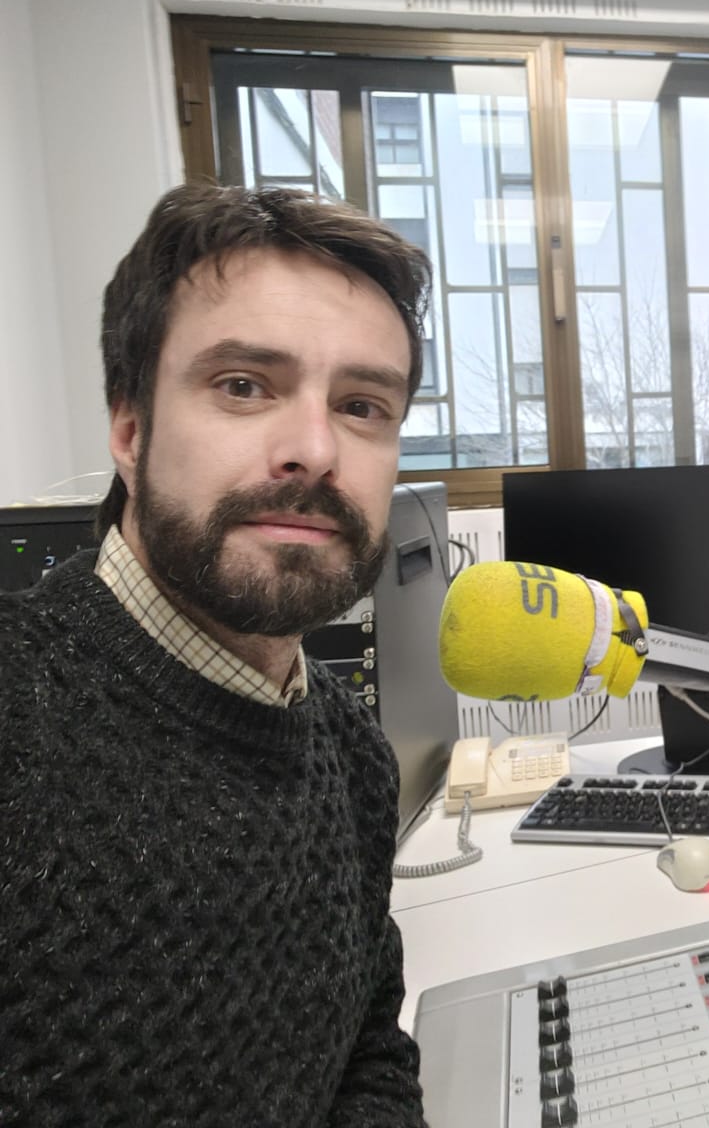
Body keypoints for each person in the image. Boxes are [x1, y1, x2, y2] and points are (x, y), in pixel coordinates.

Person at [0, 183, 432, 1123]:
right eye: (243, 386)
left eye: (363, 405)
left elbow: (367, 1046)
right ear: (129, 427)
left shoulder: (352, 757)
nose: (315, 451)